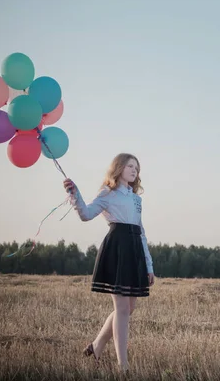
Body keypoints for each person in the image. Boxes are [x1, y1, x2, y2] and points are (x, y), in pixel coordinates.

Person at [63, 153, 155, 372]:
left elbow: (141, 232)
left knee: (129, 308)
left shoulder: (135, 198)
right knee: (122, 308)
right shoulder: (108, 193)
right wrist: (75, 194)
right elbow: (86, 214)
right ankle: (123, 367)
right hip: (117, 249)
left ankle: (97, 345)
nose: (135, 170)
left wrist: (149, 265)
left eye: (137, 167)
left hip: (134, 250)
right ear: (119, 168)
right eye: (130, 166)